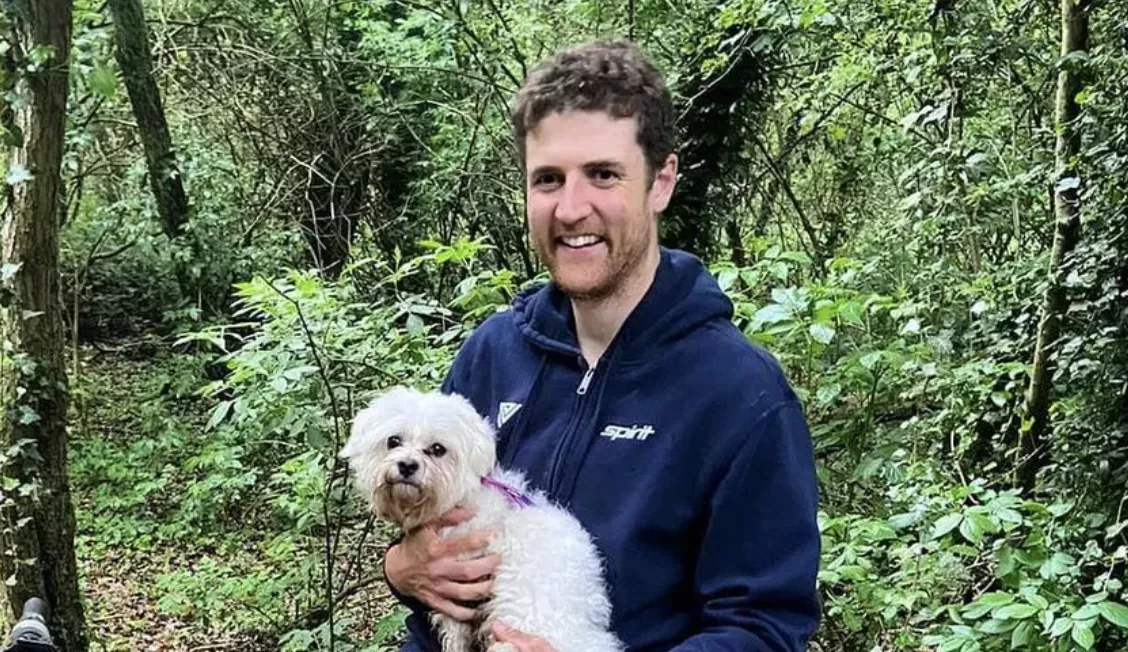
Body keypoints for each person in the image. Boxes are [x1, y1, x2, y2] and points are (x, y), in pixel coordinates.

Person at [382, 39, 821, 651]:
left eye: (603, 175)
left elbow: (764, 629)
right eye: (548, 179)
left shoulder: (740, 394)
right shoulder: (492, 352)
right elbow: (429, 529)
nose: (570, 209)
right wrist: (400, 568)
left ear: (660, 181)